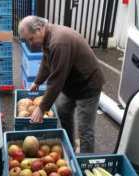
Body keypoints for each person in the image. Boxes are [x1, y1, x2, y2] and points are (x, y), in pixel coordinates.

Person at [18, 15, 105, 153]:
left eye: (31, 38)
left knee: (85, 128)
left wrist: (42, 108)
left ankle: (85, 162)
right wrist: (37, 81)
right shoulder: (48, 37)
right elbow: (46, 61)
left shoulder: (59, 42)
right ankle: (70, 147)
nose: (31, 43)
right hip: (71, 83)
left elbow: (56, 79)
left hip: (87, 85)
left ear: (39, 29)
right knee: (63, 111)